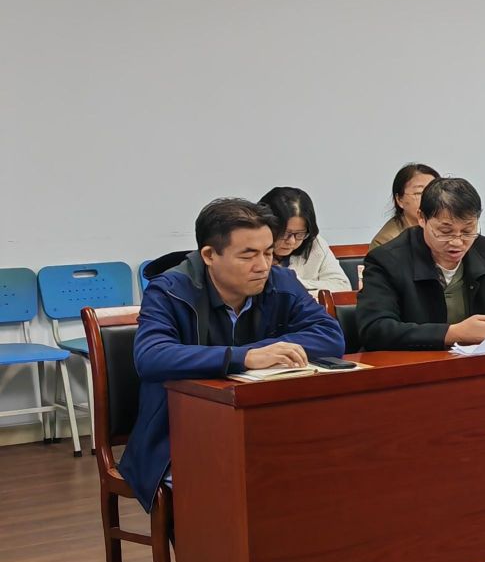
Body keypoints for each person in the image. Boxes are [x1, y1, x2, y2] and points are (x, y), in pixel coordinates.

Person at [120, 198, 345, 510]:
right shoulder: (170, 290)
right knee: (225, 493)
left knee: (324, 474)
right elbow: (152, 356)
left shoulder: (280, 281)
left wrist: (257, 352)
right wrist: (245, 357)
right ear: (209, 255)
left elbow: (330, 336)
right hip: (178, 435)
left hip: (262, 427)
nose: (262, 265)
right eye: (248, 255)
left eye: (268, 253)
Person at [356, 177, 485, 349]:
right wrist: (453, 334)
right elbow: (374, 329)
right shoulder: (387, 260)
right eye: (445, 232)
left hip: (483, 364)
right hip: (416, 367)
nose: (457, 242)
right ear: (422, 218)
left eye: (467, 231)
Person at [257, 186, 350, 293]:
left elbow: (342, 287)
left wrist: (295, 283)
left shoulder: (314, 243)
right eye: (285, 233)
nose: (291, 241)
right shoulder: (250, 249)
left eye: (300, 234)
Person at [369, 162, 440, 249]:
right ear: (399, 200)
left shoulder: (447, 230)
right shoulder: (386, 242)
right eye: (419, 193)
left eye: (434, 191)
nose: (429, 198)